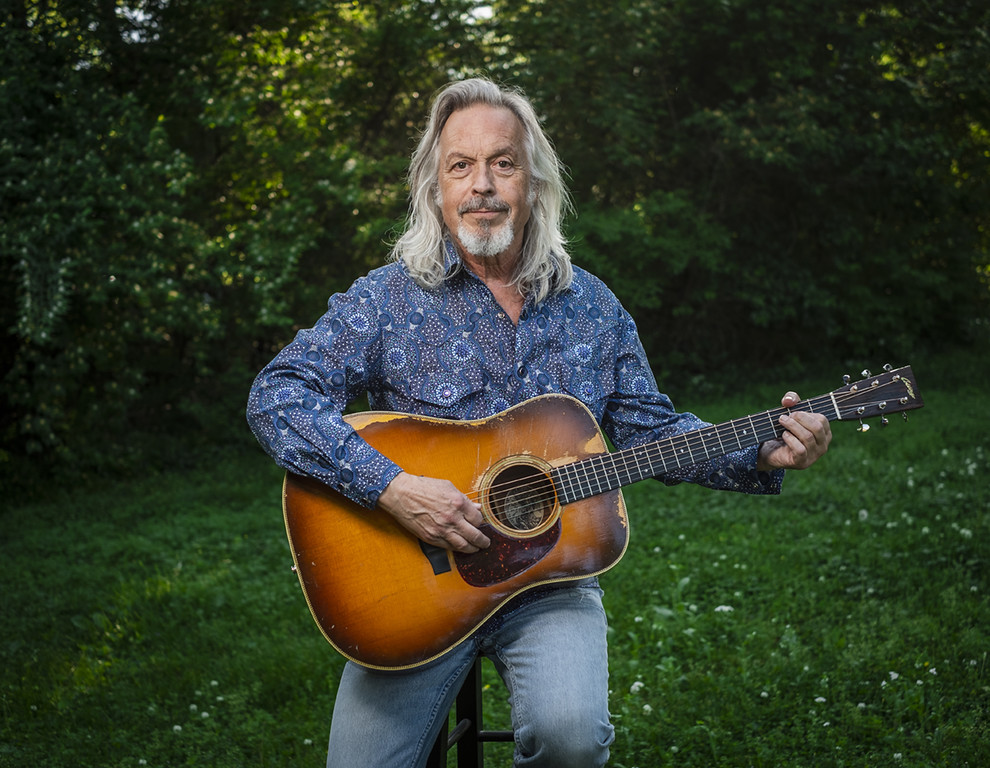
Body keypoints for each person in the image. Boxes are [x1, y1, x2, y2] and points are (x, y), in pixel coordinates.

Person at [246, 77, 831, 768]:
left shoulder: (593, 307)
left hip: (549, 585)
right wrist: (393, 488)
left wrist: (761, 450)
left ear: (535, 182)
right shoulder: (386, 300)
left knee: (570, 738)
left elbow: (649, 432)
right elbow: (276, 395)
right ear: (434, 187)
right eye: (460, 166)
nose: (482, 185)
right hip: (411, 590)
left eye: (504, 163)